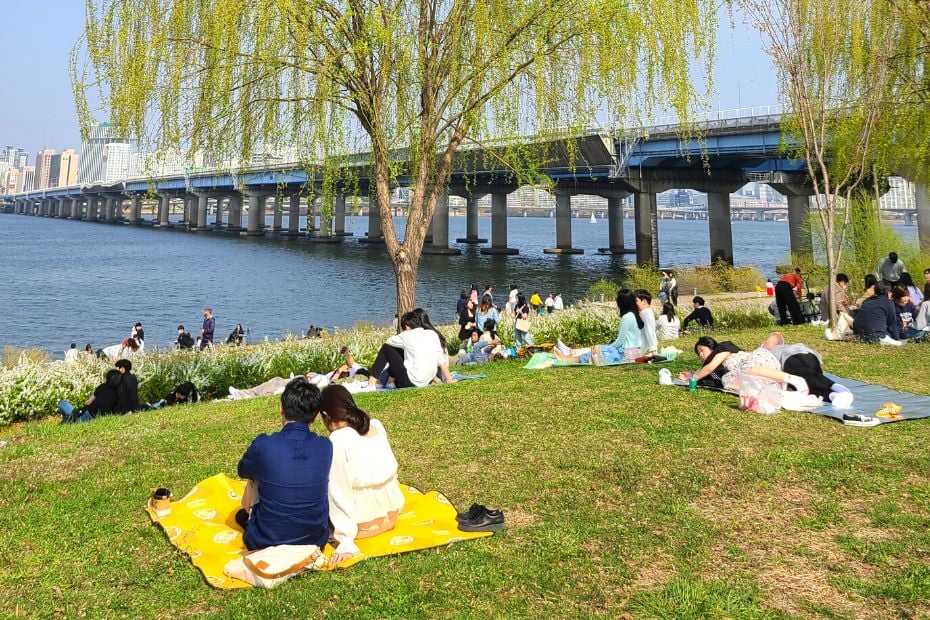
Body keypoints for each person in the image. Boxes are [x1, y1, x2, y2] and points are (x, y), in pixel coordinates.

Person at [235, 378, 332, 551]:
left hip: (266, 539)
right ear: (316, 415)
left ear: (281, 408)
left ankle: (249, 516)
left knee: (256, 473)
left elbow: (242, 470)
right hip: (315, 539)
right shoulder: (325, 446)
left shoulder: (264, 445)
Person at [320, 384, 405, 566]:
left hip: (364, 525)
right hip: (392, 512)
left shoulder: (338, 439)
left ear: (326, 415)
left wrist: (345, 541)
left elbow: (338, 492)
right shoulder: (376, 426)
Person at [680, 336, 808, 394]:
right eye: (698, 353)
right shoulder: (718, 369)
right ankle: (777, 385)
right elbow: (708, 372)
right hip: (751, 372)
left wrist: (694, 378)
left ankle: (791, 379)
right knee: (728, 380)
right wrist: (691, 374)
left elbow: (709, 367)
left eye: (702, 350)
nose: (701, 355)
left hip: (755, 361)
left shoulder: (723, 348)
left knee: (744, 371)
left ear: (711, 346)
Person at [229, 348, 369, 399]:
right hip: (312, 379)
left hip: (311, 384)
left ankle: (244, 394)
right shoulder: (356, 368)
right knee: (277, 381)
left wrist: (338, 372)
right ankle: (246, 393)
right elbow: (351, 361)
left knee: (277, 382)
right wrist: (345, 351)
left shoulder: (357, 376)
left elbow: (331, 384)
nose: (348, 367)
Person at [365, 311, 455, 389]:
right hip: (428, 380)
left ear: (407, 326)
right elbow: (440, 359)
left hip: (411, 382)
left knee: (386, 348)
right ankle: (389, 381)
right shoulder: (432, 334)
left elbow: (388, 342)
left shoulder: (407, 335)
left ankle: (372, 382)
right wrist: (449, 379)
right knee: (401, 349)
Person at [554, 289, 643, 364]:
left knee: (599, 350)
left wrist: (607, 348)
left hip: (626, 353)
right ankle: (571, 353)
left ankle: (568, 358)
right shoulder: (634, 315)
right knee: (600, 348)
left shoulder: (627, 317)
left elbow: (620, 341)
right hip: (633, 351)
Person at [761, 332, 851, 401]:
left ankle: (835, 386)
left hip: (795, 355)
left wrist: (761, 350)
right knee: (807, 389)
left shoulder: (762, 351)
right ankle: (833, 396)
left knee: (800, 371)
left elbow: (776, 336)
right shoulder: (750, 363)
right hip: (796, 370)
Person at [823, 274, 856, 341]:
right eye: (845, 283)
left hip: (825, 315)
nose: (845, 286)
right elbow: (838, 305)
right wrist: (848, 314)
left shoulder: (827, 286)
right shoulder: (837, 288)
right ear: (842, 282)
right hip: (835, 317)